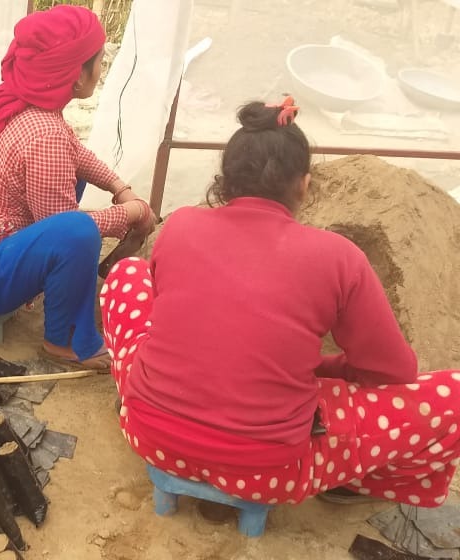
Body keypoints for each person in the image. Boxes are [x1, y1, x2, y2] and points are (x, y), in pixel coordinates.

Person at [101, 98, 459, 507]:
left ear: (226, 179)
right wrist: (327, 369)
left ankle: (144, 399)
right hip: (267, 471)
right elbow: (393, 370)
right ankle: (355, 483)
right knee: (454, 395)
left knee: (127, 273)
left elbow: (186, 321)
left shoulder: (180, 224)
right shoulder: (339, 257)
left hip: (150, 434)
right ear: (304, 185)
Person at [0, 5, 156, 369]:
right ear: (77, 77)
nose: (101, 69)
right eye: (98, 62)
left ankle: (62, 304)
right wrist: (132, 212)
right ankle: (65, 341)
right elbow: (66, 228)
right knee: (77, 233)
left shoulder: (25, 103)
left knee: (71, 181)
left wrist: (119, 187)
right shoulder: (42, 134)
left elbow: (73, 150)